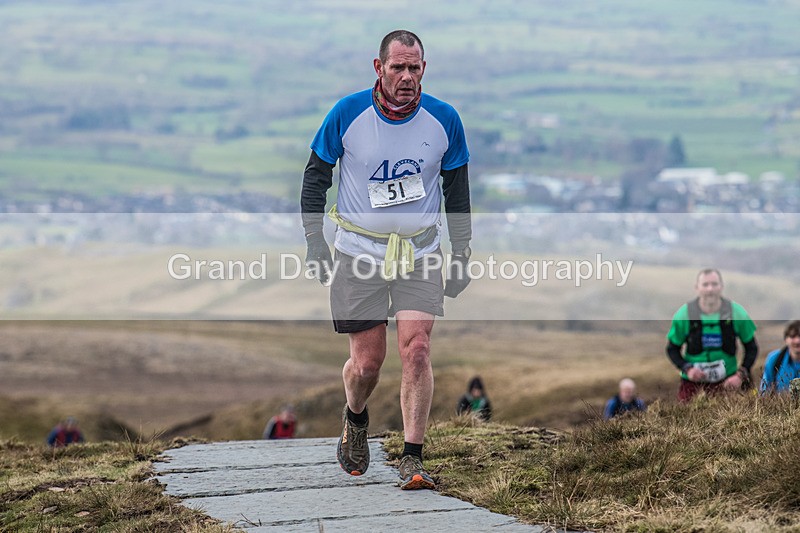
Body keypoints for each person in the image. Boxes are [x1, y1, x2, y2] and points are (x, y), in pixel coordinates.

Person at [301, 30, 472, 490]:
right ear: (379, 68)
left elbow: (457, 192)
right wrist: (315, 241)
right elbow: (316, 176)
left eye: (415, 68)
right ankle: (355, 418)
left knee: (417, 349)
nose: (407, 77)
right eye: (398, 67)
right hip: (359, 252)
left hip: (420, 251)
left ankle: (412, 457)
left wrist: (462, 253)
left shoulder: (444, 120)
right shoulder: (347, 113)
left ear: (424, 69)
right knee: (367, 364)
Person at [665, 268, 758, 402]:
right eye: (705, 284)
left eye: (714, 284)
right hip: (692, 384)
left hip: (729, 382)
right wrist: (688, 369)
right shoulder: (683, 315)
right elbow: (672, 349)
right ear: (697, 288)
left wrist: (740, 375)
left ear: (721, 287)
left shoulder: (737, 313)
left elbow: (752, 348)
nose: (710, 289)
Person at [759, 320, 800, 395]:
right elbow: (764, 391)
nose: (797, 341)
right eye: (793, 336)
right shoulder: (774, 359)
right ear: (786, 339)